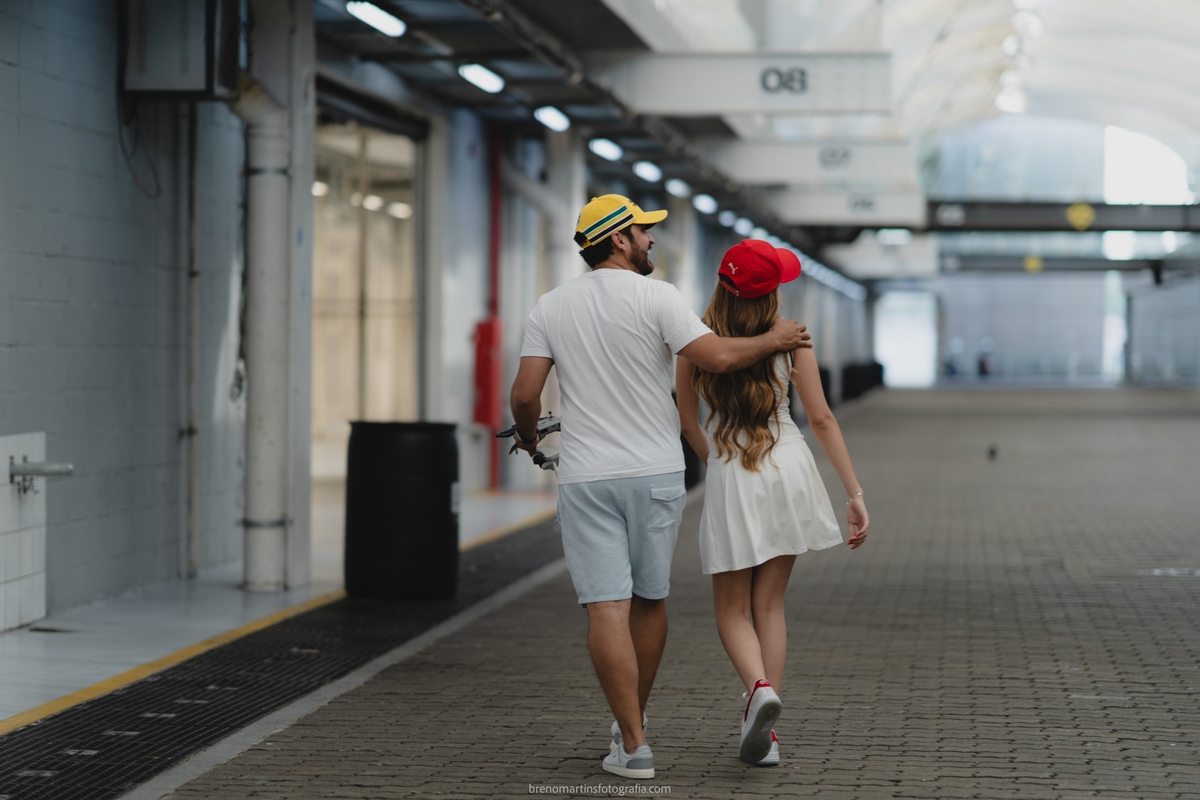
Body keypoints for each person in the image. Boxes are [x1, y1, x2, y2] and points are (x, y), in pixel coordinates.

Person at [509, 195, 813, 780]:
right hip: (654, 473)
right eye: (644, 232)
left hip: (587, 475)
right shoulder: (661, 296)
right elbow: (718, 358)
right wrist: (775, 342)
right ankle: (631, 728)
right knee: (649, 601)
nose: (652, 240)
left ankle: (634, 741)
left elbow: (525, 396)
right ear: (619, 239)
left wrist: (528, 438)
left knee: (606, 606)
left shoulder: (550, 305)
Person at [675, 239, 871, 767]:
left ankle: (758, 689)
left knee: (732, 608)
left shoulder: (695, 339)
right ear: (769, 294)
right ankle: (768, 732)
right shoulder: (792, 339)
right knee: (771, 605)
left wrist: (714, 462)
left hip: (732, 470)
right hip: (788, 466)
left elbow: (688, 421)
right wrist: (853, 495)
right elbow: (824, 419)